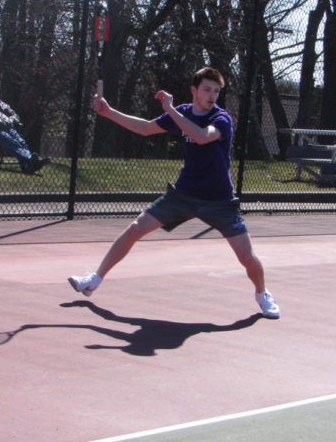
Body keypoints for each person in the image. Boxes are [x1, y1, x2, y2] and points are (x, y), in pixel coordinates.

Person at [67, 67, 280, 318]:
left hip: (219, 201)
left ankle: (262, 294)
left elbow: (201, 136)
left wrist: (170, 110)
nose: (212, 95)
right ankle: (94, 280)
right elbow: (146, 128)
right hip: (183, 195)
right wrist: (108, 112)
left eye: (216, 91)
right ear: (194, 90)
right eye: (206, 89)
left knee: (246, 257)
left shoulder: (221, 119)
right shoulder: (184, 113)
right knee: (135, 228)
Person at [0, 82, 50, 174]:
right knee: (11, 142)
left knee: (21, 142)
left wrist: (11, 120)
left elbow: (14, 115)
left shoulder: (1, 104)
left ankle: (28, 166)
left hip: (7, 127)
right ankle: (31, 160)